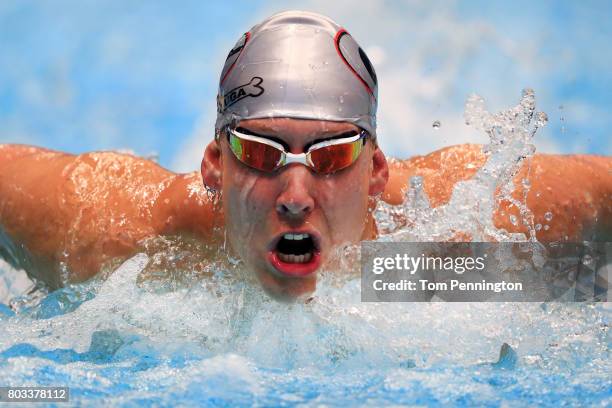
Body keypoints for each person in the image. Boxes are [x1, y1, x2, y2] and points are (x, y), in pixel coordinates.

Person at [0, 11, 610, 299]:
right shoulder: (118, 236)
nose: (294, 199)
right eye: (262, 155)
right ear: (214, 164)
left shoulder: (446, 244)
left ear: (375, 172)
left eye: (334, 155)